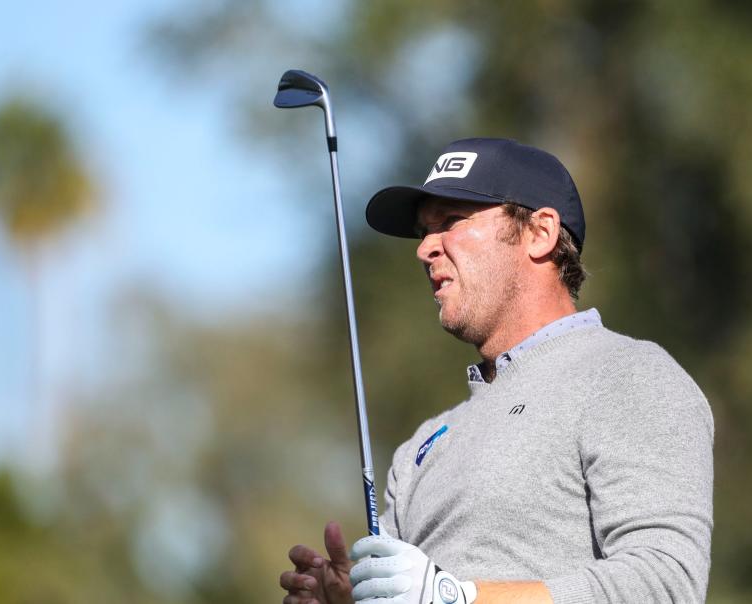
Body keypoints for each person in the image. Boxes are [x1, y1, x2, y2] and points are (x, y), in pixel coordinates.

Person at [280, 138, 714, 604]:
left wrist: (456, 597)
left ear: (540, 233)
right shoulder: (421, 448)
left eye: (449, 221)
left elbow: (664, 584)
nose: (425, 248)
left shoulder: (628, 375)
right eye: (424, 230)